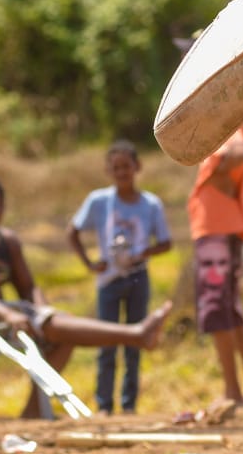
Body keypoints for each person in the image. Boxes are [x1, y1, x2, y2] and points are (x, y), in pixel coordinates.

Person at [0, 176, 173, 419]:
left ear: (3, 208)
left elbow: (28, 287)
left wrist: (43, 311)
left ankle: (33, 411)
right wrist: (9, 315)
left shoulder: (8, 242)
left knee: (61, 329)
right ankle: (136, 335)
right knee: (58, 328)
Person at [66, 140, 174, 414]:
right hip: (109, 280)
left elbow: (166, 242)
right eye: (116, 168)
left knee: (135, 341)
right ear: (108, 171)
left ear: (137, 167)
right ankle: (104, 404)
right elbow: (73, 232)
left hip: (137, 277)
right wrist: (90, 264)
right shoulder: (99, 201)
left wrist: (143, 253)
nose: (122, 172)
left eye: (126, 166)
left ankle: (129, 404)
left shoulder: (150, 204)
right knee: (107, 342)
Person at [188, 115, 243, 406]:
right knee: (231, 310)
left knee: (216, 307)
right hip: (230, 220)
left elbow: (238, 152)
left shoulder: (227, 111)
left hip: (215, 224)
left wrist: (218, 178)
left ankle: (232, 391)